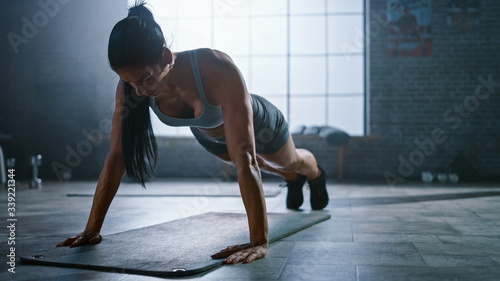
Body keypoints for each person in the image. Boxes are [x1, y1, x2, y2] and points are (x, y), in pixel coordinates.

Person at [56, 1, 329, 264]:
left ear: (166, 56)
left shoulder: (216, 68)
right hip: (210, 136)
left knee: (283, 161)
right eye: (129, 81)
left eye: (144, 80)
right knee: (262, 165)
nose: (138, 90)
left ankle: (314, 175)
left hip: (261, 124)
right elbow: (117, 157)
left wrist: (259, 241)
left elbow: (245, 158)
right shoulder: (131, 87)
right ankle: (293, 180)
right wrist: (92, 228)